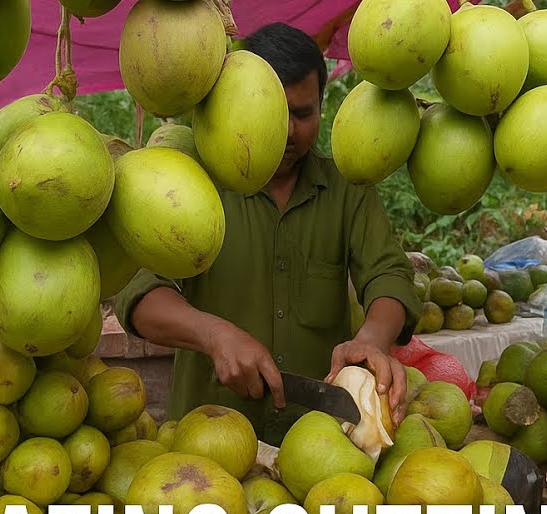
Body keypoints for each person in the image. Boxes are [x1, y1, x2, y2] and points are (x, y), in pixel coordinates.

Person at [114, 23, 421, 447]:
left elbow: (389, 275)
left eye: (303, 114)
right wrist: (213, 334)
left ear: (321, 107)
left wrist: (371, 340)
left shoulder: (347, 188)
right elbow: (140, 293)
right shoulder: (193, 182)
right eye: (275, 115)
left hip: (323, 446)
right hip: (207, 441)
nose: (289, 132)